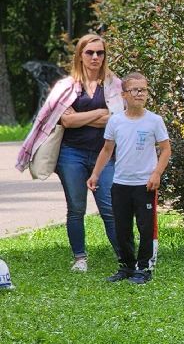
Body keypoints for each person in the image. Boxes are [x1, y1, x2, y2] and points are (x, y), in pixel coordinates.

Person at [14, 33, 122, 272]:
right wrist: (99, 114)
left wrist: (82, 118)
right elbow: (66, 121)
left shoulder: (114, 85)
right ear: (80, 55)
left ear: (105, 56)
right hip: (71, 154)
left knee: (110, 208)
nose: (95, 57)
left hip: (104, 154)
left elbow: (116, 119)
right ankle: (80, 258)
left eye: (100, 53)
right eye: (90, 52)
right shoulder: (66, 87)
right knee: (76, 208)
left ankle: (124, 258)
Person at [87, 72, 171, 284]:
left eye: (143, 90)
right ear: (124, 94)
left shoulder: (154, 120)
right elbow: (107, 150)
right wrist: (95, 174)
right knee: (122, 227)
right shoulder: (116, 121)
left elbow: (166, 149)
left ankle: (144, 268)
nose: (140, 94)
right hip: (121, 184)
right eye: (135, 90)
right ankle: (126, 265)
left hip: (145, 185)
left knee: (145, 227)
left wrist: (156, 173)